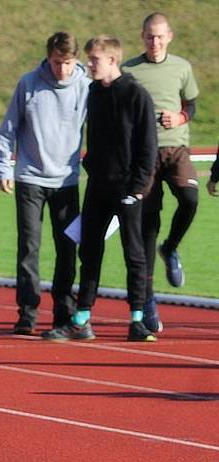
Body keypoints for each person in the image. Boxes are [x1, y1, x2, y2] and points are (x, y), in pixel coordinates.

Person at [43, 35, 157, 342]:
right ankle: (81, 318)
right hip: (98, 186)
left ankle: (137, 318)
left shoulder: (136, 95)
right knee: (89, 252)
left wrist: (137, 188)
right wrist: (91, 166)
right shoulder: (94, 92)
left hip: (128, 189)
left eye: (94, 60)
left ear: (112, 60)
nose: (88, 65)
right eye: (89, 59)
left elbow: (148, 146)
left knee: (134, 253)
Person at [0, 31, 89, 335]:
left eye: (68, 62)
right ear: (48, 57)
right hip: (29, 178)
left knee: (67, 248)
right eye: (57, 62)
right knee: (29, 247)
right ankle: (27, 312)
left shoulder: (85, 87)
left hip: (66, 180)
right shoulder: (29, 84)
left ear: (77, 60)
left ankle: (64, 311)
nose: (62, 69)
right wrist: (4, 167)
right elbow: (8, 128)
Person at [122, 12, 200, 333]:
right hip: (146, 154)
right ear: (142, 37)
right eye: (149, 37)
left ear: (170, 37)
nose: (154, 42)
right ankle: (148, 300)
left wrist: (180, 118)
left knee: (190, 198)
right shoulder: (129, 70)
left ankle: (171, 247)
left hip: (176, 147)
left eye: (160, 36)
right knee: (147, 226)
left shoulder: (182, 67)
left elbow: (191, 105)